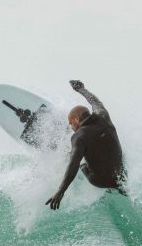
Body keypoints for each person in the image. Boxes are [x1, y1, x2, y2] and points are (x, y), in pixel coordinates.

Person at [45, 80, 125, 210]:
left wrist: (61, 190)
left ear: (76, 119)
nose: (71, 127)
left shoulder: (79, 136)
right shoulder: (103, 116)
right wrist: (82, 89)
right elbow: (96, 102)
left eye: (71, 123)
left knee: (75, 157)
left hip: (99, 181)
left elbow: (73, 164)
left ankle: (63, 151)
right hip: (121, 176)